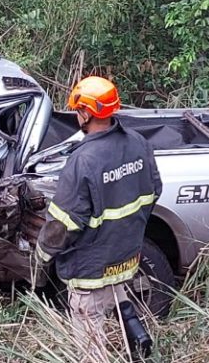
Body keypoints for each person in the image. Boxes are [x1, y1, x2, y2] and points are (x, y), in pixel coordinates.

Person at [35, 76, 162, 361]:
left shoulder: (84, 160)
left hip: (90, 269)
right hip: (125, 258)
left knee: (91, 342)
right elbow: (154, 191)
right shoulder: (138, 143)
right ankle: (139, 354)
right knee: (121, 305)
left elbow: (63, 224)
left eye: (77, 110)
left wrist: (42, 255)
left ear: (86, 113)